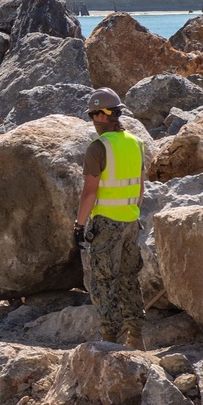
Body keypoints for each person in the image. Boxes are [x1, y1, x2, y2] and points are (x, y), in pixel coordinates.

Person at [74, 87, 145, 348]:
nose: (93, 120)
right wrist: (132, 213)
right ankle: (136, 337)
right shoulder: (136, 143)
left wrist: (79, 225)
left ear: (104, 115)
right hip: (130, 220)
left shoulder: (98, 147)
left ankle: (109, 338)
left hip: (106, 221)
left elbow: (89, 192)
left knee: (104, 280)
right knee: (129, 277)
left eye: (94, 114)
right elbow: (140, 187)